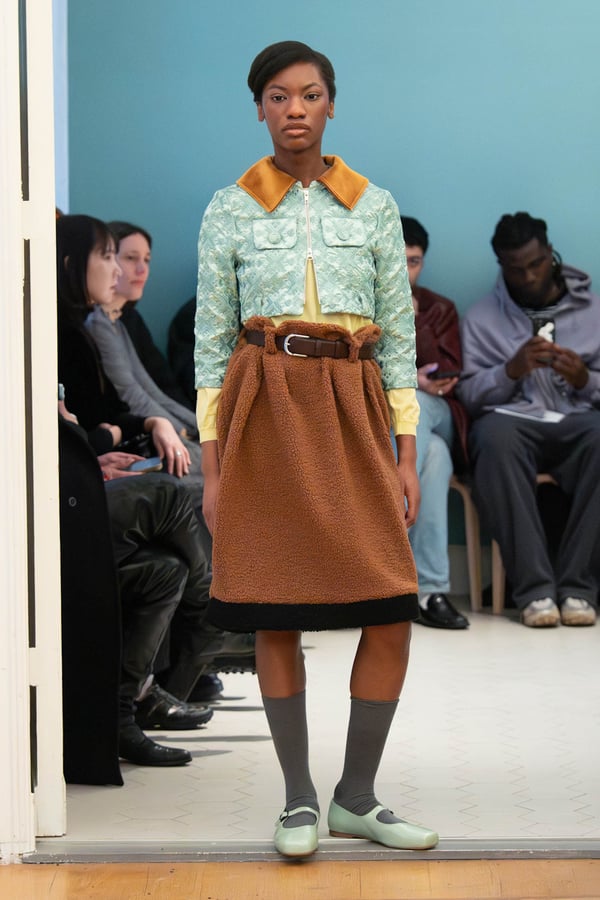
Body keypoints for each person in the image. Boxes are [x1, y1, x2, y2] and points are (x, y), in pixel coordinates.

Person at [194, 40, 438, 858]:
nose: (293, 109)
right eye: (277, 96)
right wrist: (213, 467)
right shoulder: (229, 208)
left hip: (353, 405)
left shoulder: (374, 205)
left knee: (391, 605)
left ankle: (356, 797)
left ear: (332, 104)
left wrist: (405, 453)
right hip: (263, 405)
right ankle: (298, 800)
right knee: (273, 609)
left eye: (308, 94)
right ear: (259, 109)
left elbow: (398, 337)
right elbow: (210, 346)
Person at [456, 212, 600, 628]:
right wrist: (510, 371)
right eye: (516, 269)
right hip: (513, 422)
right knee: (493, 439)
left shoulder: (594, 311)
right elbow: (469, 396)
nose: (529, 276)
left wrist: (585, 379)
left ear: (551, 254)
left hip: (579, 420)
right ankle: (535, 592)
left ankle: (578, 588)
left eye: (536, 264)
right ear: (501, 265)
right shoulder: (482, 317)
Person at [401, 216, 470, 630]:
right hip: (394, 422)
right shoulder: (360, 307)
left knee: (416, 406)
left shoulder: (439, 308)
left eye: (413, 262)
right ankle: (429, 590)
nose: (406, 270)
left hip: (438, 410)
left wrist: (413, 322)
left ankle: (388, 569)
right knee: (436, 458)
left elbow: (448, 373)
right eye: (398, 261)